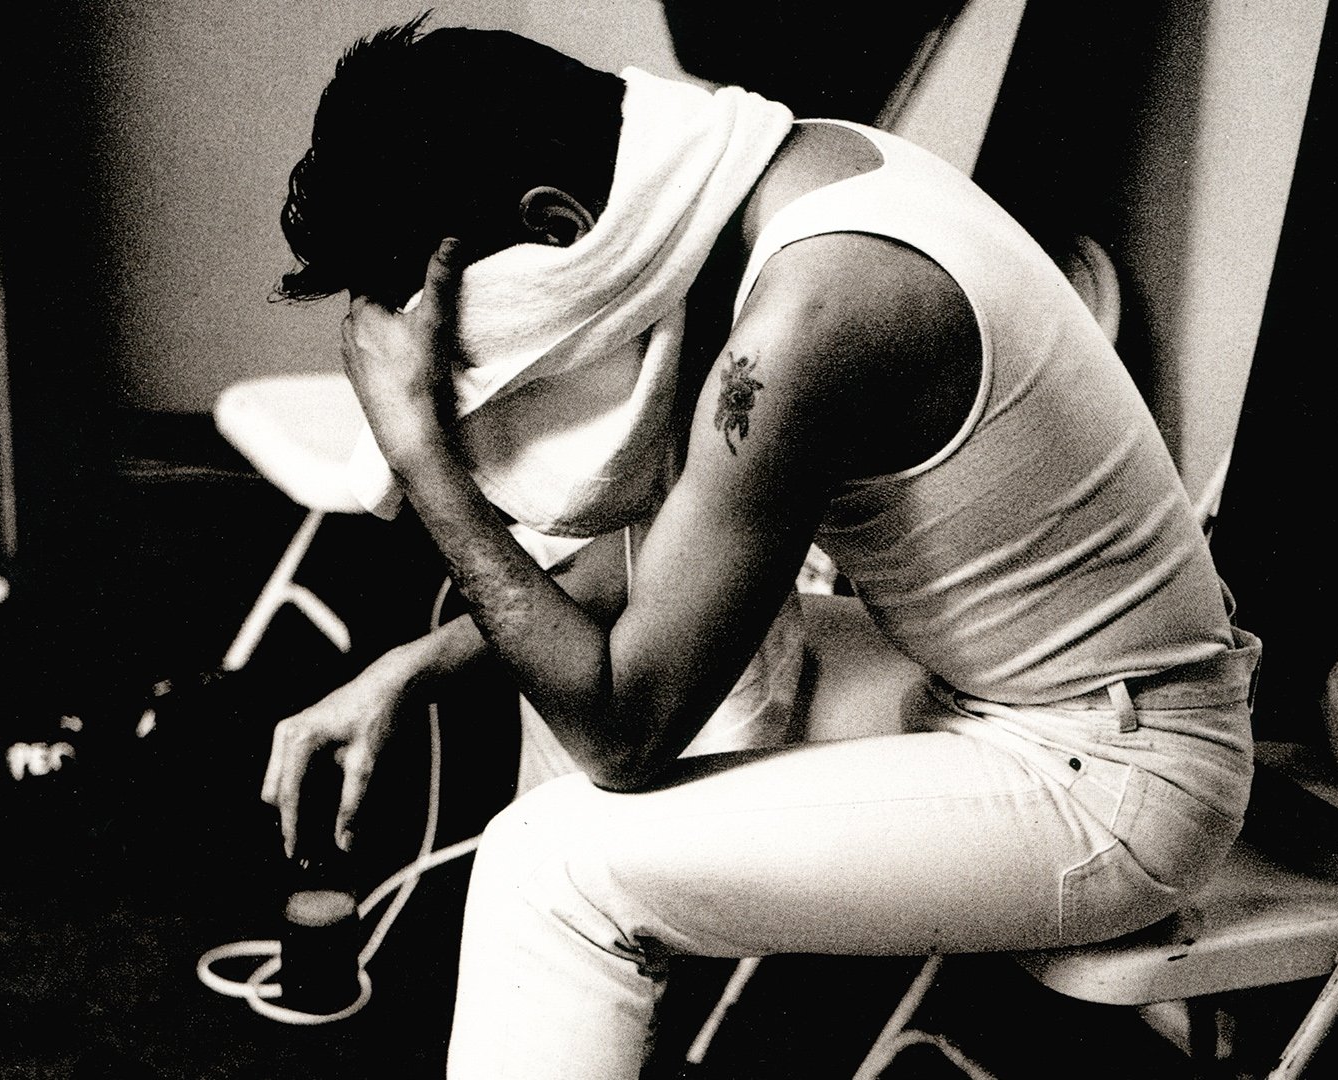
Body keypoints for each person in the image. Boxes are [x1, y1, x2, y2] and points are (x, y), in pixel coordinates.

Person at [261, 16, 1260, 1078]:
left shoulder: (813, 316)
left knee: (549, 871)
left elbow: (625, 732)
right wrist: (415, 663)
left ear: (558, 225)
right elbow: (665, 564)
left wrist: (421, 453)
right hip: (984, 684)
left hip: (1118, 776)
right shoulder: (782, 177)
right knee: (560, 702)